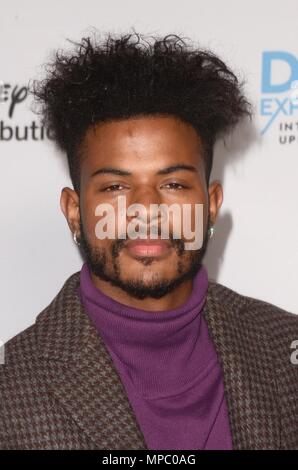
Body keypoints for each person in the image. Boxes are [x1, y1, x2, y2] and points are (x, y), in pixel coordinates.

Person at [1, 31, 297, 450]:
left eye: (173, 184)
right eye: (115, 188)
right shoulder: (11, 389)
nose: (146, 211)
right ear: (74, 211)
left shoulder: (285, 352)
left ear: (211, 205)